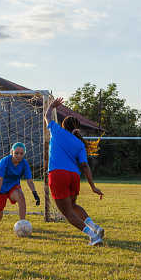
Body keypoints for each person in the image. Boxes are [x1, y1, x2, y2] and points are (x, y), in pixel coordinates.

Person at [44, 97, 105, 246]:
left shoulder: (57, 130)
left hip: (58, 174)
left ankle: (94, 237)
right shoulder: (79, 143)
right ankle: (95, 227)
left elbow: (47, 116)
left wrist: (52, 105)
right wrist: (93, 187)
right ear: (77, 128)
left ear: (64, 126)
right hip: (74, 176)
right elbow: (84, 166)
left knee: (67, 213)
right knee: (73, 206)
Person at [0, 142, 41, 224]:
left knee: (20, 196)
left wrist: (34, 192)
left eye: (21, 154)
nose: (19, 156)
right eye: (16, 153)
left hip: (13, 187)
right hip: (1, 189)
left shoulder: (24, 163)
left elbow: (29, 181)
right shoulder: (4, 162)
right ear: (11, 152)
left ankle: (22, 224)